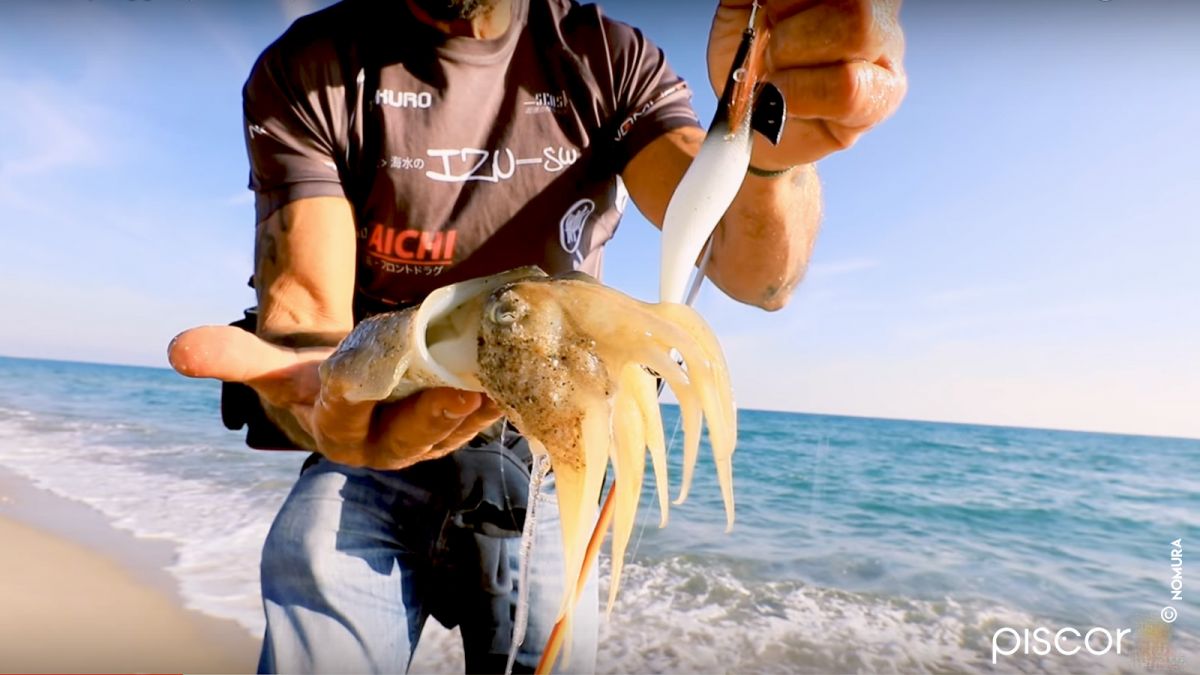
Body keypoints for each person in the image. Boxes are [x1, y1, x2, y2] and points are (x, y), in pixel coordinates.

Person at [168, 0, 906, 672]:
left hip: (554, 444)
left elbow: (754, 273)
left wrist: (767, 148)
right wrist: (320, 401)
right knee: (314, 569)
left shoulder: (606, 59)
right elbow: (306, 316)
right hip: (374, 429)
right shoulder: (313, 67)